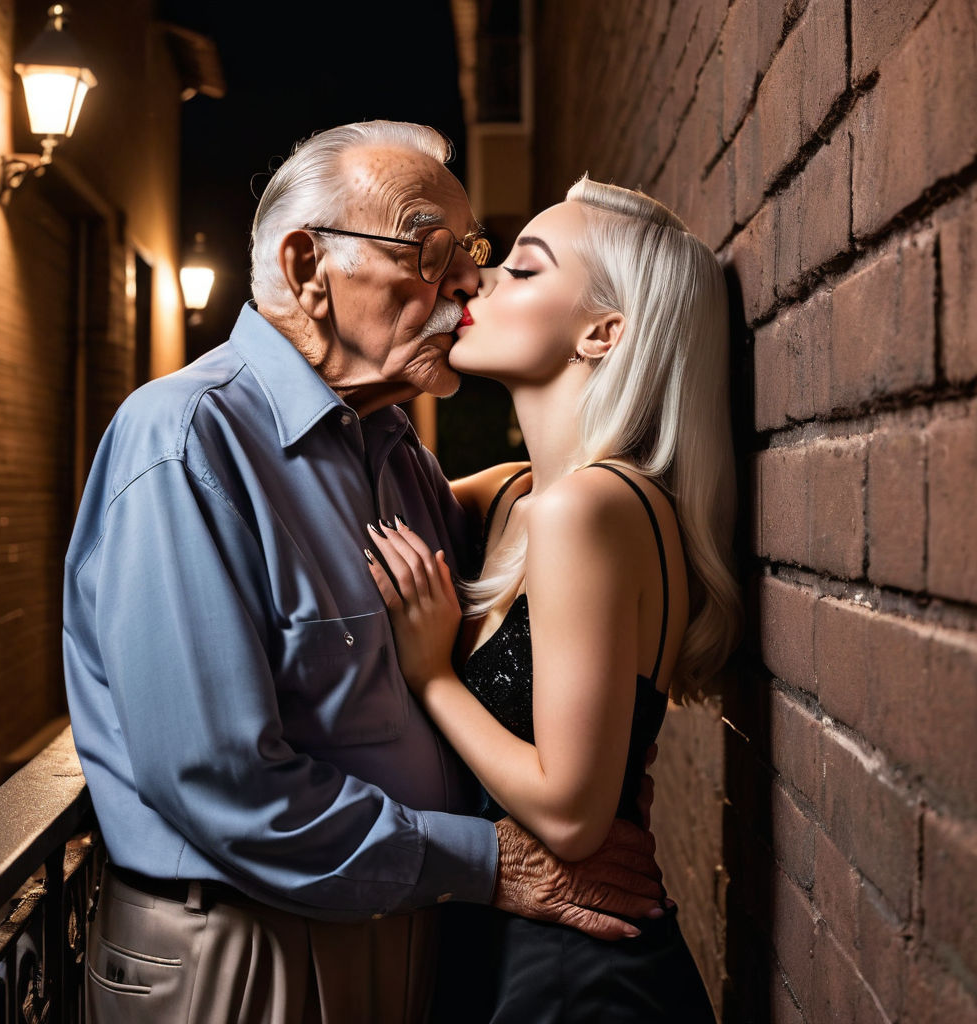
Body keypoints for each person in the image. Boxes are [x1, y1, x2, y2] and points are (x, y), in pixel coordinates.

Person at [63, 122, 667, 1024]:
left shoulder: (399, 452)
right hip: (245, 953)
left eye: (472, 253)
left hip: (416, 932)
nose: (467, 281)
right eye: (431, 249)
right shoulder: (185, 443)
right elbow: (224, 785)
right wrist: (490, 861)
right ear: (309, 267)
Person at [364, 176, 742, 1022]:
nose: (476, 283)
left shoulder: (590, 508)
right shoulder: (510, 495)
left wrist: (433, 679)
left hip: (577, 976)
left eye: (523, 272)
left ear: (603, 333)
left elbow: (571, 816)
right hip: (500, 950)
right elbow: (340, 508)